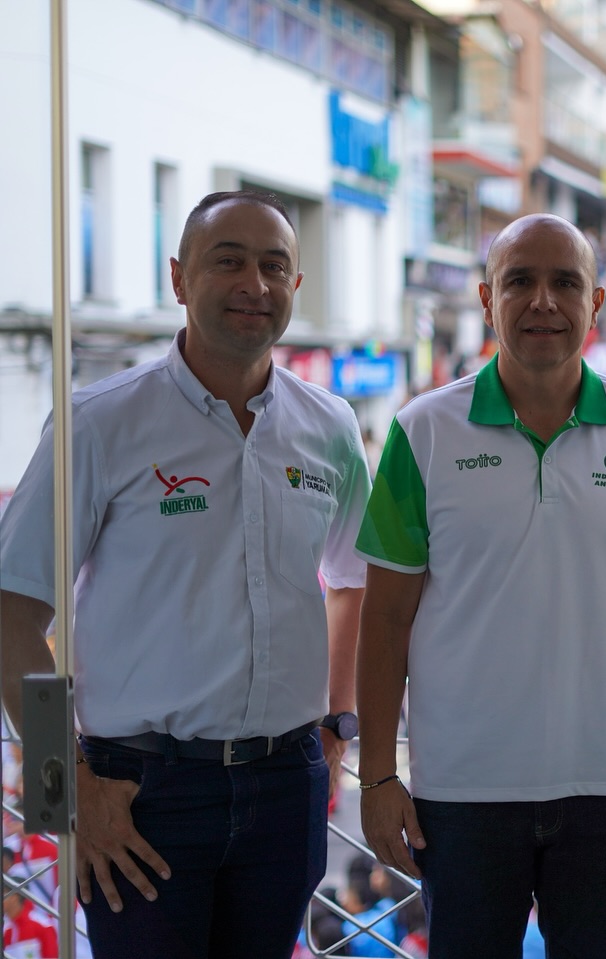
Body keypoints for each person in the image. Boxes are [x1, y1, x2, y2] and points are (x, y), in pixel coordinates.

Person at [0, 190, 370, 959]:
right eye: (228, 261)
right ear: (178, 277)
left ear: (296, 285)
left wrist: (339, 721)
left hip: (286, 785)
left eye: (274, 266)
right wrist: (65, 793)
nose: (254, 284)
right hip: (138, 794)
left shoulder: (330, 425)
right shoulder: (98, 421)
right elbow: (11, 614)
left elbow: (354, 580)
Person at [354, 213, 606, 958]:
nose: (543, 301)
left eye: (565, 283)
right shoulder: (423, 431)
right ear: (488, 299)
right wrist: (380, 776)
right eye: (520, 281)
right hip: (461, 797)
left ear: (597, 301)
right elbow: (384, 620)